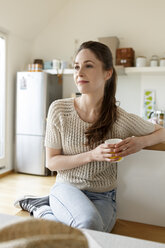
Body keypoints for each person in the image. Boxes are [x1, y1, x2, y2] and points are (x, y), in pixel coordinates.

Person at [14, 41, 165, 232]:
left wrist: (140, 142)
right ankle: (47, 208)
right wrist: (92, 155)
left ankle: (42, 209)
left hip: (103, 196)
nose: (79, 72)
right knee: (89, 225)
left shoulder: (119, 118)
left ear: (107, 73)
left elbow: (162, 131)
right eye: (77, 66)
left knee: (90, 235)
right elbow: (51, 162)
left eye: (89, 65)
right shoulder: (59, 109)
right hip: (67, 188)